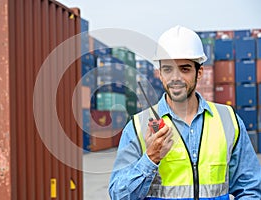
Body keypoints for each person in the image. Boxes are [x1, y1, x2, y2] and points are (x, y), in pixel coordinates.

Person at [108, 25, 261, 200]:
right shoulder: (138, 126)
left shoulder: (228, 119)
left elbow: (250, 189)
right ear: (160, 74)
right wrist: (150, 158)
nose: (175, 78)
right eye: (168, 69)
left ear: (199, 72)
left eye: (185, 69)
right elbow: (119, 195)